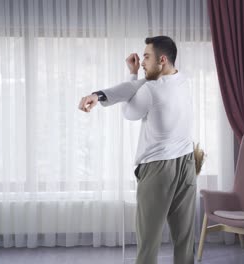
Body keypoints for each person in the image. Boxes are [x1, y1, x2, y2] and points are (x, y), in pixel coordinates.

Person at [78, 36, 196, 264]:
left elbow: (130, 112)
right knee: (184, 240)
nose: (141, 62)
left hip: (159, 169)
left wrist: (131, 75)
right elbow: (136, 87)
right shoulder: (183, 79)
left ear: (161, 59)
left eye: (146, 57)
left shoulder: (151, 89)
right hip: (187, 163)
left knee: (148, 242)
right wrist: (100, 93)